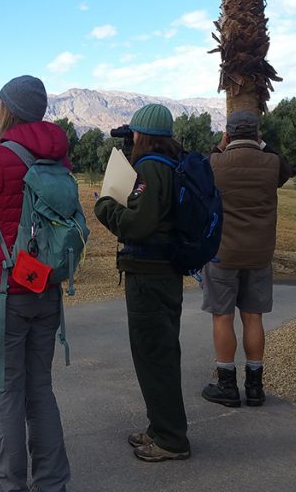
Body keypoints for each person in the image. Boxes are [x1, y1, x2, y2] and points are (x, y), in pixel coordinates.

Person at [0, 75, 71, 492]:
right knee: (41, 387)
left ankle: (9, 484)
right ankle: (53, 482)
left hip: (4, 290)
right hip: (46, 286)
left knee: (6, 392)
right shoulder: (59, 158)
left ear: (9, 109)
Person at [93, 103, 191, 463]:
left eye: (133, 134)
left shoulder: (149, 168)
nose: (130, 139)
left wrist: (104, 206)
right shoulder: (170, 164)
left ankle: (171, 439)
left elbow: (137, 225)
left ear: (143, 136)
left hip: (150, 277)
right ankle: (160, 426)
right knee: (160, 352)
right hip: (165, 273)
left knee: (155, 355)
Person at [200, 110, 292, 407]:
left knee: (222, 316)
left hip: (223, 252)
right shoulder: (272, 163)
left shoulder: (216, 163)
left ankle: (227, 384)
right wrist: (263, 145)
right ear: (256, 134)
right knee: (253, 317)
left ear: (227, 134)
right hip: (260, 253)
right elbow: (285, 169)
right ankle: (255, 387)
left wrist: (219, 146)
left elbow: (202, 170)